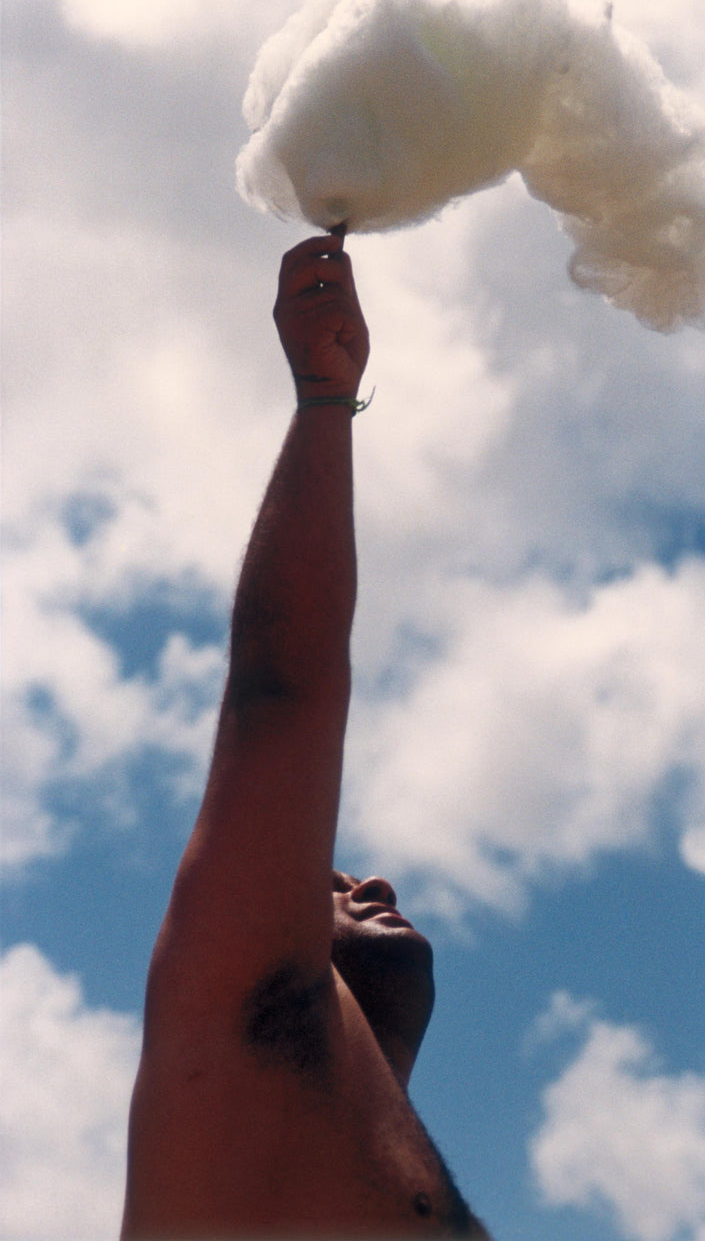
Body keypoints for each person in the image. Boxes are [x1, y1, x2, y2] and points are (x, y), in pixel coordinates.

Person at [121, 231, 491, 1239]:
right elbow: (279, 694)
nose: (373, 884)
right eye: (329, 885)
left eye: (340, 881)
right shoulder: (231, 1035)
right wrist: (325, 401)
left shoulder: (357, 1139)